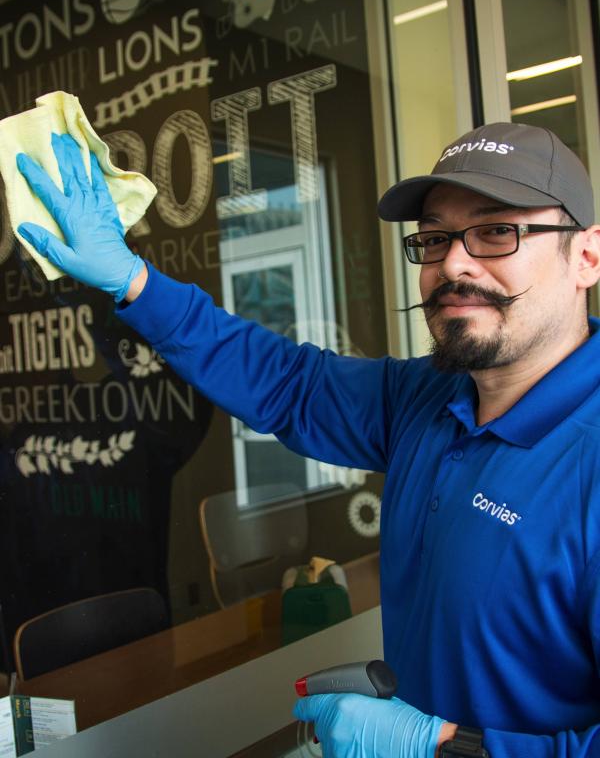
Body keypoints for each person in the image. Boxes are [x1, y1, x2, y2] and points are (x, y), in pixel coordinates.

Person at [15, 122, 600, 757]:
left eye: (495, 231)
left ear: (587, 257)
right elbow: (286, 382)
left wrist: (448, 748)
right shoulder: (426, 400)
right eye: (434, 238)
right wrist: (133, 280)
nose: (452, 263)